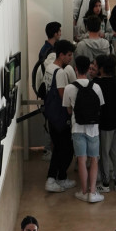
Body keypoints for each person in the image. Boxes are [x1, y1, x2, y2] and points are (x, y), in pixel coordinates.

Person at [61, 54, 104, 203]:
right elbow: (100, 107)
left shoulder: (69, 88)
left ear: (75, 68)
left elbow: (68, 110)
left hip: (77, 128)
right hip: (93, 129)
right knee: (94, 160)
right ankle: (93, 192)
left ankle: (83, 191)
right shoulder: (96, 87)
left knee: (81, 159)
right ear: (89, 69)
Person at [43, 40, 77, 194]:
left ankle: (61, 177)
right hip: (61, 116)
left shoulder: (49, 68)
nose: (70, 58)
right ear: (61, 54)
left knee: (59, 146)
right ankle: (52, 178)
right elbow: (63, 96)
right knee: (65, 148)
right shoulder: (61, 72)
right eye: (69, 55)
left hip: (51, 114)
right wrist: (70, 111)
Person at [94, 54, 116, 194]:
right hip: (115, 123)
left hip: (103, 124)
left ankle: (105, 183)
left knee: (104, 154)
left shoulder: (97, 84)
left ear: (101, 68)